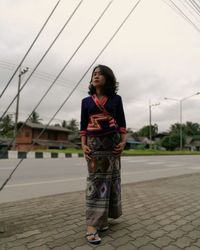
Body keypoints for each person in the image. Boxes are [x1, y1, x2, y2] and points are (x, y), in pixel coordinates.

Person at [80, 64, 126, 244]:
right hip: (94, 146)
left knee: (111, 181)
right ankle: (92, 225)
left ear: (108, 78)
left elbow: (122, 123)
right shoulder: (86, 102)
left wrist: (122, 142)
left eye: (100, 74)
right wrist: (83, 145)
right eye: (94, 74)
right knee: (95, 182)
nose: (96, 76)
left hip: (113, 146)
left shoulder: (116, 99)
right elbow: (83, 127)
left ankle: (103, 219)